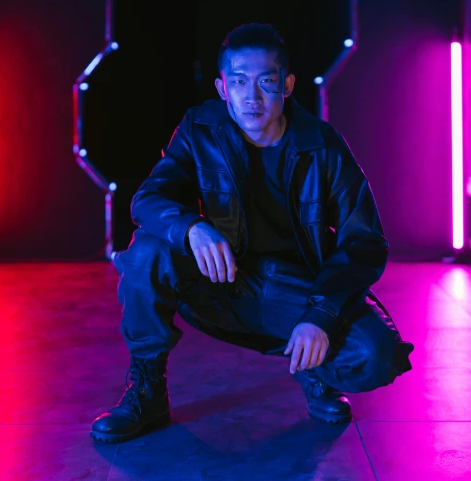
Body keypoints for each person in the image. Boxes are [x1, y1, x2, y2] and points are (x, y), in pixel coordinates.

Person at [91, 23, 414, 443]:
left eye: (266, 82)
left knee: (377, 356)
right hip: (224, 280)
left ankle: (314, 369)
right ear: (223, 88)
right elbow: (148, 199)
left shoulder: (322, 144)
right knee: (147, 251)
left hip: (296, 290)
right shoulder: (200, 127)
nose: (252, 96)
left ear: (287, 85)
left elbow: (365, 240)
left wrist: (321, 315)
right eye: (239, 82)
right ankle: (147, 391)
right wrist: (193, 227)